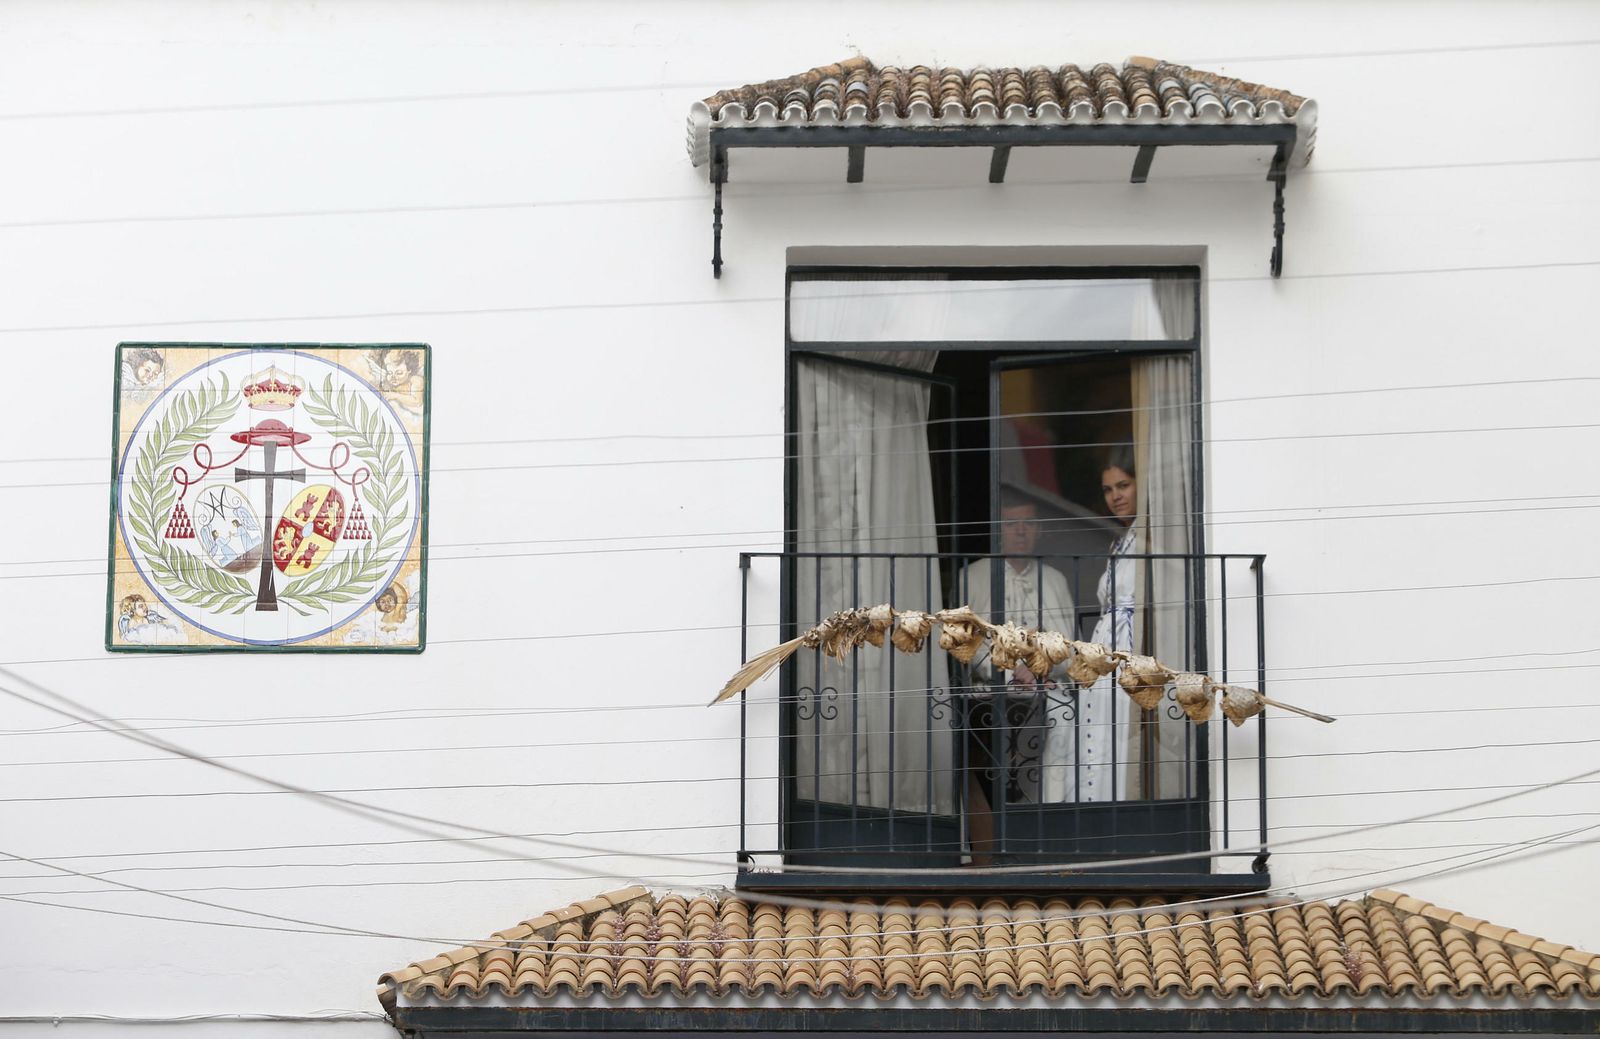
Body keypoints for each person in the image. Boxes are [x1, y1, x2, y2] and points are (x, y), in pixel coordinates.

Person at [956, 489, 1076, 863]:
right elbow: (963, 641)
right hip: (988, 690)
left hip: (1045, 686)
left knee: (1066, 719)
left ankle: (1051, 828)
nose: (1020, 531)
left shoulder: (1054, 578)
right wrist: (1008, 671)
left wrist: (1038, 669)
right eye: (1011, 523)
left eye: (1028, 523)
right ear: (998, 529)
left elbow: (1070, 644)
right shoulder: (972, 575)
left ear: (1038, 529)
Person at [1042, 448, 1138, 805]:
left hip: (1131, 645)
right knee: (1098, 728)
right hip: (1108, 645)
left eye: (1124, 485)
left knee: (1119, 729)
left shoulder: (1149, 538)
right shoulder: (1121, 539)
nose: (1115, 496)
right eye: (1108, 489)